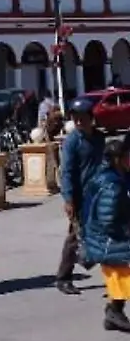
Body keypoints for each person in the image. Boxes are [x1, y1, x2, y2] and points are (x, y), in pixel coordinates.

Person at [57, 97, 107, 295]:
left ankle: (114, 278)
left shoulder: (99, 138)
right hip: (80, 198)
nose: (78, 121)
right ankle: (63, 278)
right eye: (75, 118)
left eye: (82, 117)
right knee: (74, 238)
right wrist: (68, 199)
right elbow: (67, 172)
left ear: (91, 117)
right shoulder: (72, 142)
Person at [80, 135, 130, 332]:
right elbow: (108, 218)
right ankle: (114, 312)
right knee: (121, 277)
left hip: (103, 238)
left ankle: (114, 313)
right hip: (109, 239)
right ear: (118, 159)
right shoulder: (113, 185)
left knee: (119, 277)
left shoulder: (110, 176)